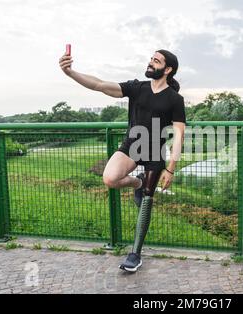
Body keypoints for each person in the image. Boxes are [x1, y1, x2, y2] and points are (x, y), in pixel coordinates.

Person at [59, 49, 186, 272]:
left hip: (155, 153)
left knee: (147, 201)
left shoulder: (175, 99)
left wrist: (171, 168)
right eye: (151, 59)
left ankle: (135, 254)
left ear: (167, 70)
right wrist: (71, 73)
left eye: (156, 61)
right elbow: (99, 84)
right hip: (132, 147)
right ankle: (137, 183)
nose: (150, 63)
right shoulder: (137, 88)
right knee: (109, 178)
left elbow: (179, 135)